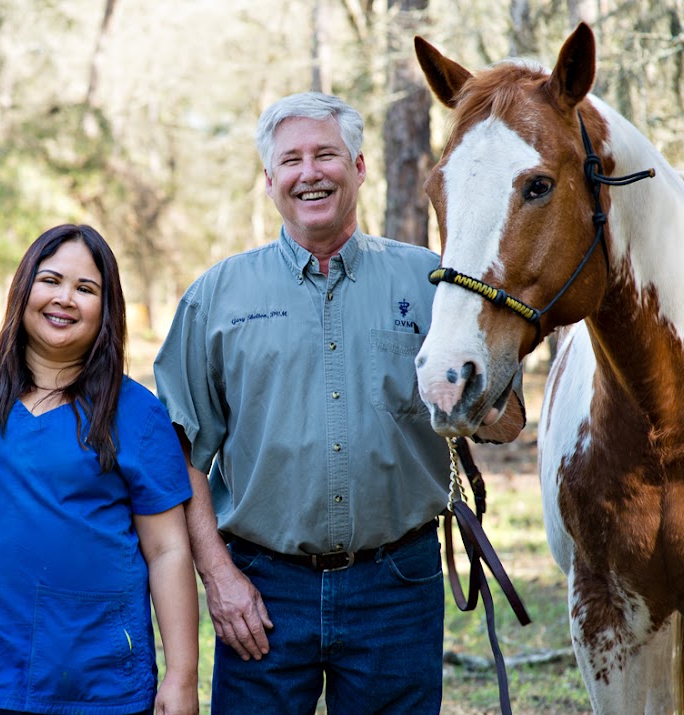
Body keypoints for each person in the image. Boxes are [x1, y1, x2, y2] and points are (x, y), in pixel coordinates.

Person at [153, 92, 525, 714]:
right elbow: (182, 456)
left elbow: (505, 419)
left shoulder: (432, 282)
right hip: (262, 591)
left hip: (398, 588)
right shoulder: (216, 296)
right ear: (269, 182)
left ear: (357, 166)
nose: (309, 173)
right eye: (291, 161)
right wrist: (220, 580)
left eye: (326, 154)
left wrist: (476, 402)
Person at [0, 224, 200, 715]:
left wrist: (182, 677)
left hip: (99, 677)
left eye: (86, 289)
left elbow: (168, 549)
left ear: (106, 310)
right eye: (50, 280)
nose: (64, 298)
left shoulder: (136, 412)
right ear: (24, 287)